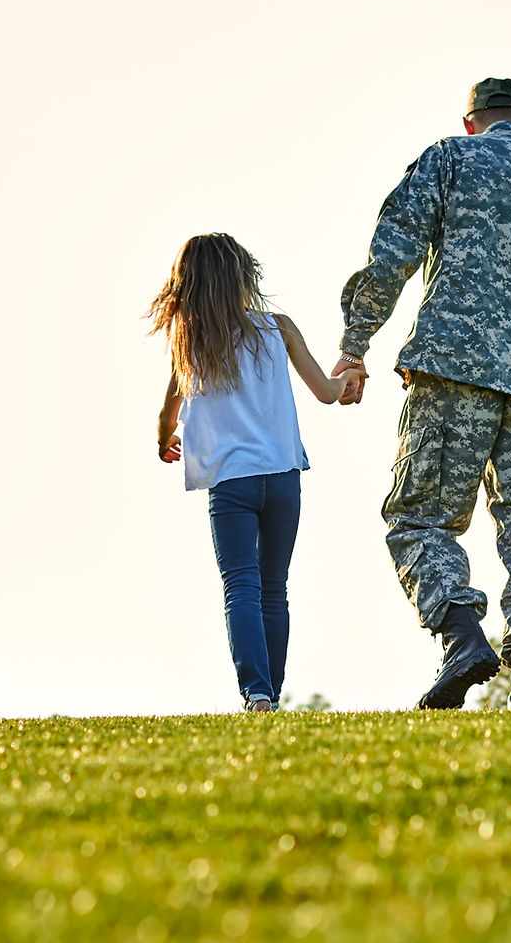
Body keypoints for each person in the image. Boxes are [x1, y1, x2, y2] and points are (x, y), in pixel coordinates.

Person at [332, 78, 511, 710]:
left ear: (471, 122)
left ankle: (462, 637)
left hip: (450, 369)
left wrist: (355, 345)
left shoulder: (447, 158)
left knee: (418, 518)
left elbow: (391, 254)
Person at [149, 233, 360, 712]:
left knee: (240, 584)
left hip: (231, 484)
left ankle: (258, 694)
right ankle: (272, 693)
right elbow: (327, 393)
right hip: (284, 476)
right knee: (273, 588)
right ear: (245, 278)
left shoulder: (192, 347)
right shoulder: (278, 328)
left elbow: (166, 416)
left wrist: (165, 443)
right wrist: (348, 379)